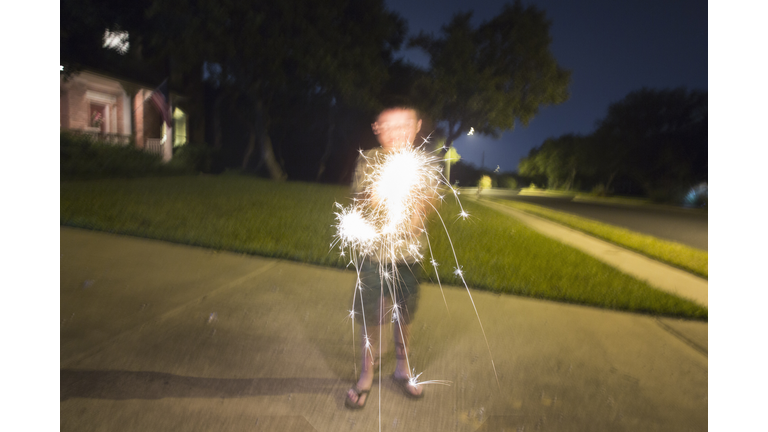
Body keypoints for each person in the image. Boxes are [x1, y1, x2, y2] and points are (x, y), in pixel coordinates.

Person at [345, 105, 430, 409]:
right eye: (387, 126)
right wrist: (380, 197)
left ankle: (402, 367)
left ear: (418, 126)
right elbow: (361, 207)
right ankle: (368, 371)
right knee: (371, 315)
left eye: (403, 125)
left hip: (407, 258)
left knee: (402, 314)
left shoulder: (423, 166)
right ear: (376, 129)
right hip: (372, 257)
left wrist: (407, 205)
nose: (396, 133)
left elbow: (419, 220)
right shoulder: (368, 160)